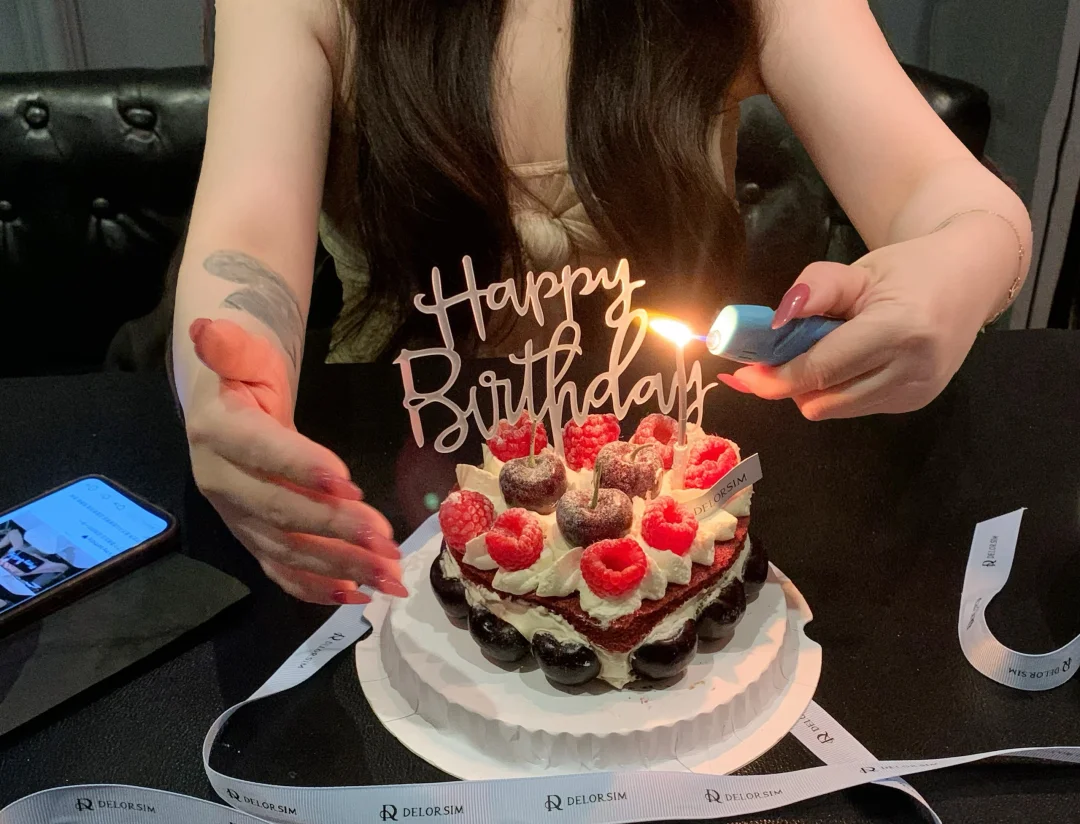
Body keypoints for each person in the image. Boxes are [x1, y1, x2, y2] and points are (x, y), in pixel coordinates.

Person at [172, 0, 1031, 606]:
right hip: (394, 525)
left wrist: (963, 259)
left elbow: (951, 198)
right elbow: (246, 237)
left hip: (670, 521)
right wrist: (225, 387)